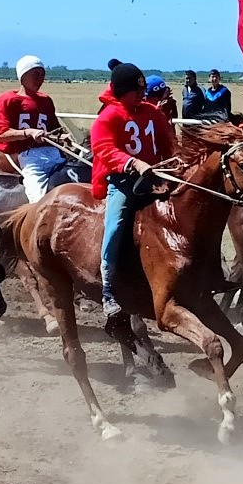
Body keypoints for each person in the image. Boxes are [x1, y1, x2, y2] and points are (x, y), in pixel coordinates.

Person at [90, 62, 177, 321]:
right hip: (123, 182)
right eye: (135, 90)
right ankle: (107, 288)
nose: (142, 94)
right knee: (115, 225)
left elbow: (166, 142)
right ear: (121, 91)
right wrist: (133, 162)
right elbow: (104, 148)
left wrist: (175, 161)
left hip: (155, 178)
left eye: (142, 89)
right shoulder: (108, 116)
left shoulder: (153, 113)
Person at [0, 55, 65, 202]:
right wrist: (28, 132)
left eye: (42, 75)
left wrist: (62, 137)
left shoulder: (46, 100)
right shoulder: (8, 100)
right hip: (30, 156)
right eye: (35, 74)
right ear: (23, 76)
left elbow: (55, 129)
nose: (40, 79)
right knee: (38, 199)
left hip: (54, 153)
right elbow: (1, 133)